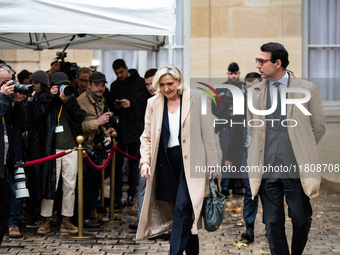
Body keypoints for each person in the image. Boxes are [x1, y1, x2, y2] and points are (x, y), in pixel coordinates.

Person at [248, 42, 326, 255]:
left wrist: (302, 148)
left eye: (262, 61)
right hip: (267, 168)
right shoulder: (254, 92)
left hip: (297, 168)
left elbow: (318, 126)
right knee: (272, 223)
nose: (258, 65)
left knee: (301, 219)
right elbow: (252, 126)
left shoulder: (307, 89)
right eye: (257, 60)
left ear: (278, 63)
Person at [136, 65, 219, 254]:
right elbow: (147, 137)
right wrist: (145, 161)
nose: (166, 88)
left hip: (191, 162)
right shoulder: (153, 103)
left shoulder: (196, 98)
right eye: (162, 84)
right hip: (165, 162)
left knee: (182, 206)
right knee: (179, 210)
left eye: (170, 84)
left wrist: (213, 164)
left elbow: (208, 134)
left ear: (179, 81)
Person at [36, 72, 85, 235]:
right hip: (52, 149)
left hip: (71, 147)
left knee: (70, 185)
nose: (64, 89)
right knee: (50, 183)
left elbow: (80, 118)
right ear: (52, 87)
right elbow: (37, 116)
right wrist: (53, 97)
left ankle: (66, 219)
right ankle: (46, 219)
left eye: (65, 85)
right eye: (60, 86)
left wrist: (68, 102)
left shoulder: (72, 99)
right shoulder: (45, 98)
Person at [224, 72, 261, 242]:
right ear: (245, 87)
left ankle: (272, 225)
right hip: (246, 153)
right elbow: (235, 132)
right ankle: (249, 227)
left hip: (265, 154)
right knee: (250, 191)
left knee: (267, 191)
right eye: (249, 87)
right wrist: (229, 156)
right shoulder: (242, 105)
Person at [77, 71, 114, 228]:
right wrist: (97, 122)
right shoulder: (81, 101)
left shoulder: (99, 99)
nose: (100, 88)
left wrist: (104, 132)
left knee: (94, 184)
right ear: (89, 85)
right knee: (86, 185)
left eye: (102, 85)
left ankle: (87, 216)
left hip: (94, 148)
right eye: (97, 85)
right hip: (84, 149)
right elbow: (78, 127)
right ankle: (81, 218)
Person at [109, 59, 145, 208]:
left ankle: (131, 194)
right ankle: (116, 197)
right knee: (116, 166)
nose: (119, 75)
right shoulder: (114, 85)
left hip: (135, 129)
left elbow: (144, 101)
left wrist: (131, 102)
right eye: (117, 73)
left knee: (133, 164)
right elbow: (110, 103)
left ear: (126, 68)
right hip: (120, 130)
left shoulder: (139, 82)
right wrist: (116, 104)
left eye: (121, 72)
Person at [0, 63, 26, 245]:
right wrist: (2, 97)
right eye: (3, 82)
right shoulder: (2, 99)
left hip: (4, 164)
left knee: (2, 213)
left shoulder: (7, 100)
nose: (8, 86)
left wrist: (17, 104)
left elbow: (21, 123)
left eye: (10, 82)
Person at [128, 68, 157, 231]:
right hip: (146, 145)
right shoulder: (142, 99)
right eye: (147, 84)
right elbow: (139, 124)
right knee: (144, 184)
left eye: (153, 83)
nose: (151, 87)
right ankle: (141, 219)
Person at [212, 62, 245, 196]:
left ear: (239, 73)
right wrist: (226, 116)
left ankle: (237, 186)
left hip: (240, 128)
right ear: (227, 73)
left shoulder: (244, 88)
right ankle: (225, 186)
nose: (233, 76)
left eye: (235, 73)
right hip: (225, 128)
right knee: (227, 155)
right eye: (231, 73)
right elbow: (214, 107)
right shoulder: (220, 88)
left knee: (238, 156)